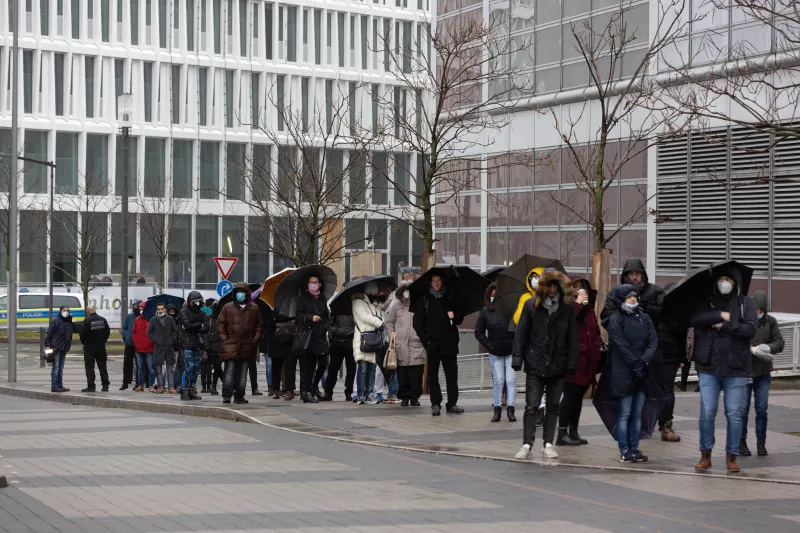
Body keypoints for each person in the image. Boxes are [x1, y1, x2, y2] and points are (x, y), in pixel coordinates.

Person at [601, 259, 678, 443]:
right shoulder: (617, 293)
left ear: (643, 274)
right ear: (625, 275)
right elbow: (605, 316)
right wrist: (625, 309)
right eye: (630, 273)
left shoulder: (655, 291)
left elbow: (666, 314)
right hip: (625, 353)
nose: (634, 277)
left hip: (652, 350)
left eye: (638, 273)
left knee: (663, 388)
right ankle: (630, 430)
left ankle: (665, 425)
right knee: (627, 392)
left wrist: (644, 307)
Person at [691, 267, 757, 473]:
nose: (724, 282)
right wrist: (719, 314)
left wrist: (725, 325)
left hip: (736, 368)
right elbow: (696, 320)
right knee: (707, 412)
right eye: (721, 278)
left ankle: (732, 457)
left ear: (736, 282)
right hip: (708, 366)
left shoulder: (746, 303)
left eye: (728, 279)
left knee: (735, 414)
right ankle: (705, 455)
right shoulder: (706, 301)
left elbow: (751, 329)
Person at [512, 270, 579, 460]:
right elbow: (521, 334)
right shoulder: (531, 306)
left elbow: (573, 337)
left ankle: (548, 443)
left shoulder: (567, 308)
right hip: (536, 362)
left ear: (559, 287)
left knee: (553, 405)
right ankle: (527, 443)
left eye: (555, 285)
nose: (551, 289)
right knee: (532, 405)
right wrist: (517, 358)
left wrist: (572, 363)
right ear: (543, 287)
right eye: (548, 285)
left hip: (558, 363)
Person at [607, 285, 658, 463]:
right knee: (624, 413)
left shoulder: (645, 318)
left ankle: (635, 448)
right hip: (623, 372)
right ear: (622, 299)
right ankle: (624, 449)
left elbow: (653, 341)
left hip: (642, 372)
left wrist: (643, 361)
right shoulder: (616, 319)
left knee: (637, 414)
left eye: (635, 296)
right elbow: (620, 345)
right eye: (629, 297)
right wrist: (636, 362)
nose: (633, 299)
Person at [557, 278, 603, 445]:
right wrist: (577, 304)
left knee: (578, 397)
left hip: (588, 360)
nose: (580, 291)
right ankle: (561, 433)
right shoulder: (567, 307)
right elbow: (563, 326)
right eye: (576, 288)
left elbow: (595, 331)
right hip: (573, 360)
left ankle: (573, 431)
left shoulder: (589, 310)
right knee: (569, 395)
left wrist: (597, 344)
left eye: (583, 288)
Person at [740, 290, 784, 457]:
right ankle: (741, 442)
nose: (757, 312)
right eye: (755, 309)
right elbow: (735, 339)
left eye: (760, 309)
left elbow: (779, 341)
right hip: (745, 371)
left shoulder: (771, 322)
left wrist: (768, 348)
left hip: (763, 372)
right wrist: (749, 349)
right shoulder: (744, 320)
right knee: (743, 409)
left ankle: (761, 443)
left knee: (761, 409)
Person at [413, 274, 464, 416]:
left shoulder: (449, 297)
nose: (436, 284)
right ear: (430, 283)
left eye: (439, 281)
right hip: (433, 344)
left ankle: (452, 403)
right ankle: (435, 403)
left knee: (452, 376)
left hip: (450, 343)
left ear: (442, 282)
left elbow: (459, 318)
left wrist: (455, 316)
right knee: (433, 376)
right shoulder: (424, 299)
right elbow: (417, 323)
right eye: (434, 281)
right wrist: (426, 340)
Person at [475, 283, 516, 422]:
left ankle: (511, 409)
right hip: (495, 351)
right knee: (498, 381)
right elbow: (478, 332)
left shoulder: (510, 310)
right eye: (492, 296)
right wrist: (489, 345)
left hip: (510, 350)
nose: (495, 298)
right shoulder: (485, 311)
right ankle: (497, 410)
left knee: (511, 380)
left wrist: (515, 344)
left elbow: (518, 328)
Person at [216, 283, 263, 404]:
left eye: (242, 292)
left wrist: (254, 340)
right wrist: (224, 339)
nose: (239, 295)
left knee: (243, 374)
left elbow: (259, 325)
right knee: (229, 372)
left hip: (247, 346)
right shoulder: (227, 308)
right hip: (230, 345)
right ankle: (227, 395)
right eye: (238, 292)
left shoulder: (254, 308)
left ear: (247, 294)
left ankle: (239, 395)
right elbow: (220, 324)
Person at [386, 281, 426, 407]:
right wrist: (392, 336)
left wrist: (424, 336)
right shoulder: (397, 305)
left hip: (416, 345)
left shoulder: (420, 304)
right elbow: (389, 322)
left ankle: (414, 397)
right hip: (400, 346)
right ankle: (404, 397)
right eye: (405, 290)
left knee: (416, 374)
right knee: (402, 375)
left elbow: (427, 321)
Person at [657, 283, 688, 443]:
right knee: (664, 390)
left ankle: (665, 424)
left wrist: (681, 358)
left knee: (665, 390)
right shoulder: (677, 312)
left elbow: (682, 338)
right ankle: (664, 425)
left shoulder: (675, 312)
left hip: (667, 357)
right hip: (657, 356)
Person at [295, 275, 331, 404]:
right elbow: (298, 315)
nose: (313, 284)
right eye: (311, 282)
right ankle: (306, 392)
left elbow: (327, 316)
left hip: (320, 336)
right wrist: (310, 317)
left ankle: (314, 386)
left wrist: (326, 326)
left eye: (315, 282)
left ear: (320, 284)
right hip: (308, 336)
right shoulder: (303, 298)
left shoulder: (322, 298)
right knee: (307, 366)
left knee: (323, 363)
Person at [352, 283, 385, 405]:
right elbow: (365, 317)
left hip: (373, 340)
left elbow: (381, 316)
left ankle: (369, 394)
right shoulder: (358, 303)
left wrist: (379, 303)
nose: (373, 295)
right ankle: (361, 394)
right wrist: (379, 323)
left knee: (372, 368)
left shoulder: (373, 304)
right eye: (371, 292)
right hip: (363, 339)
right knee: (363, 368)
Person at [178, 291, 210, 401]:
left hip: (198, 343)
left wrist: (195, 326)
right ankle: (184, 390)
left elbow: (206, 327)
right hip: (187, 343)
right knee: (189, 367)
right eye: (195, 301)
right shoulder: (183, 311)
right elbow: (187, 326)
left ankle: (192, 389)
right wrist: (198, 325)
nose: (197, 303)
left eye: (199, 300)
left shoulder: (202, 312)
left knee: (196, 368)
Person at [325, 312, 357, 402]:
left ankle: (349, 391)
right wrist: (332, 335)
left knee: (351, 368)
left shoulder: (355, 307)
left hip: (350, 340)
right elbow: (329, 324)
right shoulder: (337, 307)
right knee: (333, 368)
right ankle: (329, 391)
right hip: (337, 340)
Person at [79, 304, 111, 393]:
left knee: (89, 367)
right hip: (101, 346)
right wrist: (103, 341)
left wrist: (84, 342)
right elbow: (107, 332)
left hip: (90, 347)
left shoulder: (87, 321)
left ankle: (91, 386)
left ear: (88, 311)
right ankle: (105, 386)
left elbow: (82, 335)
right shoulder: (103, 320)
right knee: (102, 366)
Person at [147, 302, 178, 394]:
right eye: (158, 309)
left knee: (170, 369)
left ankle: (171, 387)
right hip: (158, 347)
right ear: (157, 310)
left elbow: (175, 331)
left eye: (161, 309)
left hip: (168, 347)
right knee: (158, 369)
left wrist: (171, 340)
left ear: (164, 309)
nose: (160, 310)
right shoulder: (153, 319)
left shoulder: (170, 319)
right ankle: (160, 387)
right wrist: (155, 340)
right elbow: (149, 332)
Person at [45, 306, 77, 393]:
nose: (66, 312)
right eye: (64, 310)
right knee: (56, 367)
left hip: (64, 347)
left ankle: (60, 385)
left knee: (61, 368)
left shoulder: (69, 321)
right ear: (60, 311)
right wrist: (48, 345)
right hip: (56, 347)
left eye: (67, 310)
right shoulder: (55, 321)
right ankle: (54, 386)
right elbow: (49, 334)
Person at [271, 312, 296, 400]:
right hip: (276, 339)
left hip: (289, 339)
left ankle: (289, 389)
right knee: (276, 367)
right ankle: (276, 389)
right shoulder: (274, 308)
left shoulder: (294, 305)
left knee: (289, 366)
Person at [132, 302, 155, 392]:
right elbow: (134, 333)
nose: (140, 310)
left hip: (149, 348)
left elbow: (153, 333)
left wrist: (151, 342)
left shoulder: (151, 320)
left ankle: (150, 385)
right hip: (139, 348)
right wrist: (136, 342)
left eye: (142, 308)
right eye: (140, 308)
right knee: (140, 368)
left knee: (150, 368)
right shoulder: (137, 319)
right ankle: (140, 385)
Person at [202, 301, 223, 395]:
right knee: (211, 368)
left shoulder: (223, 319)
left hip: (220, 347)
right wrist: (207, 346)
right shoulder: (210, 319)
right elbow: (205, 333)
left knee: (217, 368)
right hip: (211, 348)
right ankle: (209, 386)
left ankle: (214, 386)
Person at [120, 300, 141, 390]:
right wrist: (125, 336)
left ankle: (138, 383)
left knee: (138, 364)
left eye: (137, 306)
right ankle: (125, 382)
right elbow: (125, 328)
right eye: (134, 306)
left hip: (138, 344)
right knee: (127, 364)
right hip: (129, 343)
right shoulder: (129, 317)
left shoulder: (142, 317)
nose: (135, 308)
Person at [166, 303, 182, 393]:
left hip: (176, 346)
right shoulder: (165, 321)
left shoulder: (178, 320)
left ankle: (174, 385)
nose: (172, 313)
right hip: (167, 346)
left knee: (174, 367)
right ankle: (166, 384)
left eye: (173, 311)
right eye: (170, 311)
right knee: (167, 367)